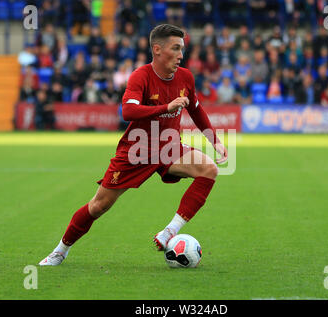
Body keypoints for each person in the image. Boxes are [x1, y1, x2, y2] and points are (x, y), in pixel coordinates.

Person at [39, 24, 228, 266]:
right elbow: (128, 110)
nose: (181, 55)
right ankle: (60, 251)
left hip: (169, 148)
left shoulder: (186, 77)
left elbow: (197, 110)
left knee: (209, 169)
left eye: (182, 48)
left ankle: (169, 231)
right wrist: (166, 107)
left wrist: (215, 141)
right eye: (176, 48)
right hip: (136, 152)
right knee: (98, 206)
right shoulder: (141, 76)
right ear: (157, 50)